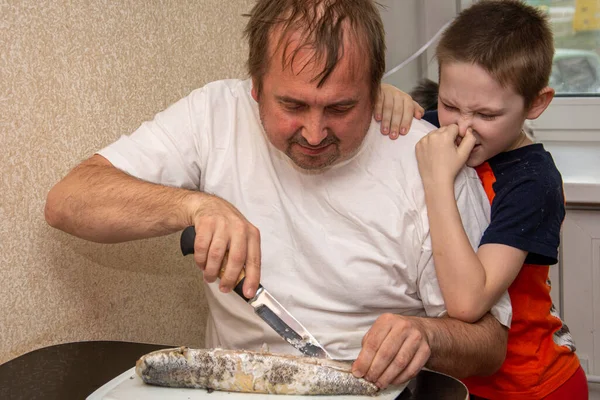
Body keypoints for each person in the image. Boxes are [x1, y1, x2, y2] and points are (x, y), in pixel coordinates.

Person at [44, 0, 512, 389]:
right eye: (291, 105)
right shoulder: (215, 115)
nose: (313, 133)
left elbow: (490, 344)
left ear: (374, 91)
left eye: (341, 108)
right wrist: (195, 205)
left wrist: (427, 334)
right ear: (254, 86)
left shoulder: (431, 163)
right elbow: (69, 202)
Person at [378, 1, 588, 398]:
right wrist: (385, 96)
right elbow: (394, 117)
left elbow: (467, 303)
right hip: (464, 382)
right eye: (450, 105)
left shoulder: (533, 183)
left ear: (537, 104)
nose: (461, 128)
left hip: (533, 387)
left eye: (487, 115)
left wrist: (438, 181)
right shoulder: (445, 126)